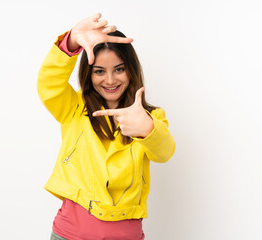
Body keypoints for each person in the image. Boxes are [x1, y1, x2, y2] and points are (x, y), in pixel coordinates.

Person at [37, 13, 175, 240]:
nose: (110, 80)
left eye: (119, 69)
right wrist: (70, 41)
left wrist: (147, 128)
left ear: (131, 70)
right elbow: (48, 83)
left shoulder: (151, 117)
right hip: (69, 234)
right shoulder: (74, 107)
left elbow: (164, 151)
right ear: (88, 74)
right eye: (99, 71)